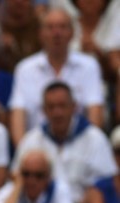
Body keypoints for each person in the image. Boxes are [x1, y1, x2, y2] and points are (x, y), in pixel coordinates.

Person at [11, 80, 116, 203]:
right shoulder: (31, 139)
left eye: (62, 106)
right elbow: (17, 177)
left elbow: (107, 184)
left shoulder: (95, 138)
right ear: (43, 110)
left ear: (74, 107)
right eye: (51, 107)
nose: (57, 112)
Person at [8, 7, 104, 146]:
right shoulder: (25, 69)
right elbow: (18, 117)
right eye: (50, 27)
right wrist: (25, 153)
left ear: (72, 33)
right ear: (40, 33)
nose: (56, 33)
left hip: (79, 146)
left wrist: (88, 150)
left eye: (62, 27)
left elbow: (95, 115)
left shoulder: (89, 66)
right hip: (37, 149)